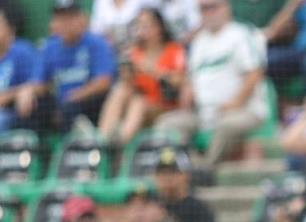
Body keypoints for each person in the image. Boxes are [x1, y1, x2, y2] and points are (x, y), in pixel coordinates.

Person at [156, 0, 268, 167]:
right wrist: (188, 91)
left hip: (243, 110)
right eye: (203, 8)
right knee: (167, 124)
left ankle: (205, 166)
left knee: (226, 125)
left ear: (227, 7)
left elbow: (255, 73)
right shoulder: (199, 41)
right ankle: (188, 165)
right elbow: (191, 78)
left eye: (213, 6)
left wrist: (236, 102)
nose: (208, 12)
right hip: (203, 112)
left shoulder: (242, 34)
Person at [99, 9, 187, 147]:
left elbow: (180, 81)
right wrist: (127, 72)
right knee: (121, 90)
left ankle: (119, 142)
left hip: (165, 107)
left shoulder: (174, 50)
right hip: (138, 108)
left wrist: (152, 70)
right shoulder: (136, 52)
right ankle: (102, 139)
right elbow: (129, 86)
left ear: (159, 28)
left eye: (146, 25)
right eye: (138, 26)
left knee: (139, 103)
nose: (141, 30)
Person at [34, 0, 117, 131]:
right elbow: (39, 83)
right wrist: (26, 92)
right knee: (34, 105)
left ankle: (84, 140)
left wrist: (73, 97)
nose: (65, 24)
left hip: (90, 103)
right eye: (61, 19)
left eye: (70, 18)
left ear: (82, 19)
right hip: (61, 103)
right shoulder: (50, 47)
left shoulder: (97, 43)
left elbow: (104, 82)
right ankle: (29, 148)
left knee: (71, 107)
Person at [153, 146, 219, 222]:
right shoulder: (154, 207)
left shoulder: (197, 208)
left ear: (186, 175)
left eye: (173, 172)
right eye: (162, 173)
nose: (167, 178)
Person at [0, 7, 40, 133]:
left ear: (11, 28)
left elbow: (37, 83)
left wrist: (11, 95)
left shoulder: (23, 51)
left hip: (11, 113)